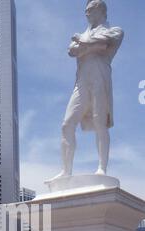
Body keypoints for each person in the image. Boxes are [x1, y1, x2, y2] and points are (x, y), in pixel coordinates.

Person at [55, 0, 124, 179]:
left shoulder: (115, 30)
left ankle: (102, 167)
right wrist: (90, 45)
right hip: (81, 83)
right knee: (67, 124)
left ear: (101, 10)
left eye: (89, 10)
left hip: (100, 79)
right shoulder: (85, 34)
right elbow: (72, 51)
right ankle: (66, 171)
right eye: (85, 11)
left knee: (100, 123)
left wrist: (82, 42)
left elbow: (105, 41)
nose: (86, 13)